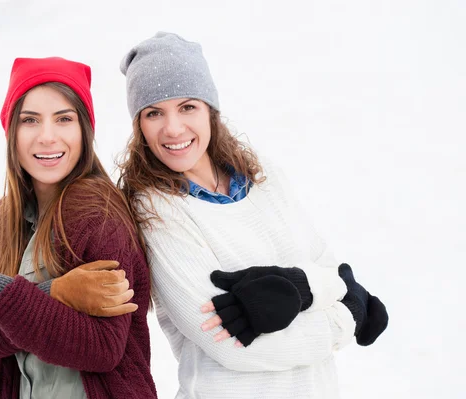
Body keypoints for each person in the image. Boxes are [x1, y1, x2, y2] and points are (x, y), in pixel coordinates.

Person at [117, 32, 388, 398]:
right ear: (139, 126)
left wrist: (299, 288)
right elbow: (232, 345)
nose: (173, 128)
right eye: (154, 113)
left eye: (187, 107)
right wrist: (348, 316)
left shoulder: (264, 177)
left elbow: (330, 268)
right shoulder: (156, 211)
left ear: (209, 109)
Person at [0, 57, 157, 399]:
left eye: (64, 119)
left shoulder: (100, 215)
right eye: (30, 120)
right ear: (11, 132)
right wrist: (53, 293)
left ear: (84, 132)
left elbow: (101, 348)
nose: (48, 137)